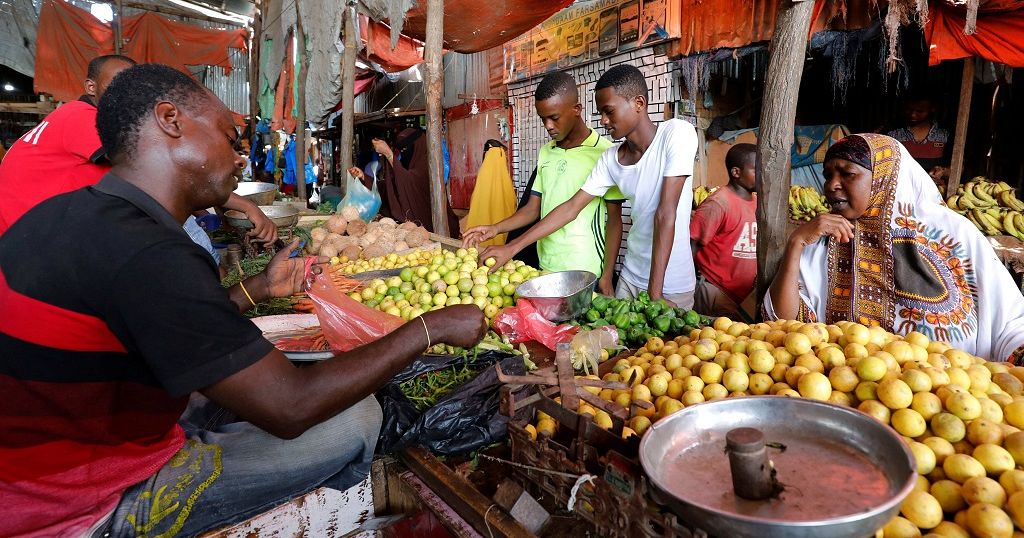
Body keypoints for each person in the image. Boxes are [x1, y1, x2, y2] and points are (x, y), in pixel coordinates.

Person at [0, 64, 488, 537]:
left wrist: (257, 289)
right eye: (230, 139)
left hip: (38, 478)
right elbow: (290, 408)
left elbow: (170, 326)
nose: (239, 158)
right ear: (171, 121)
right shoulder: (148, 253)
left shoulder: (66, 215)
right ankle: (364, 508)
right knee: (357, 420)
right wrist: (430, 328)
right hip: (84, 510)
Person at [765, 134, 1024, 361]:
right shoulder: (825, 241)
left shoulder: (953, 235)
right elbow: (785, 323)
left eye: (847, 173)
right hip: (850, 397)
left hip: (948, 398)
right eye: (828, 175)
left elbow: (1011, 322)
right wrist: (796, 243)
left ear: (884, 177)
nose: (831, 184)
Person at [0, 55, 277, 248]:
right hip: (28, 236)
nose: (126, 92)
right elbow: (155, 173)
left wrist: (207, 206)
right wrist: (244, 204)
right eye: (118, 82)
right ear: (90, 87)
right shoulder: (78, 115)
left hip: (40, 233)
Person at [481, 64, 699, 307]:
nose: (604, 120)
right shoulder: (611, 159)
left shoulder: (677, 133)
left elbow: (665, 213)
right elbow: (571, 207)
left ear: (639, 103)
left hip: (670, 283)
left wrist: (655, 295)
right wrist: (512, 247)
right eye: (601, 113)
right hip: (630, 275)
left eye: (609, 111)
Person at [463, 72, 624, 294]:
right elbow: (532, 209)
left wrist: (607, 276)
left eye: (554, 118)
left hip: (586, 272)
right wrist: (495, 228)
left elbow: (615, 221)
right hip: (546, 268)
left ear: (576, 109)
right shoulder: (546, 152)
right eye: (543, 118)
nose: (548, 126)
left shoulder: (604, 153)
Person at [690, 143, 758, 318]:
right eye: (756, 170)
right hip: (716, 290)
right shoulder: (718, 203)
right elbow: (693, 244)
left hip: (743, 295)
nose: (763, 174)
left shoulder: (757, 202)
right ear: (736, 172)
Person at [373, 127, 459, 233]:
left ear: (418, 144)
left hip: (435, 227)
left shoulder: (430, 162)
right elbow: (392, 184)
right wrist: (364, 178)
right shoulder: (408, 162)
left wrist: (388, 154)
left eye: (406, 148)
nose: (404, 152)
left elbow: (410, 181)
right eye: (402, 150)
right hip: (414, 229)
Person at [886, 94, 951, 187]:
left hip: (935, 190)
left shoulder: (944, 134)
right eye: (909, 109)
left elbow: (957, 167)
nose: (913, 114)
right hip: (901, 190)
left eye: (920, 111)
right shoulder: (892, 134)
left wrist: (943, 171)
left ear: (932, 109)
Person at [462, 140, 517, 247]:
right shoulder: (505, 179)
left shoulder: (484, 176)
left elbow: (477, 205)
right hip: (505, 239)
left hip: (482, 237)